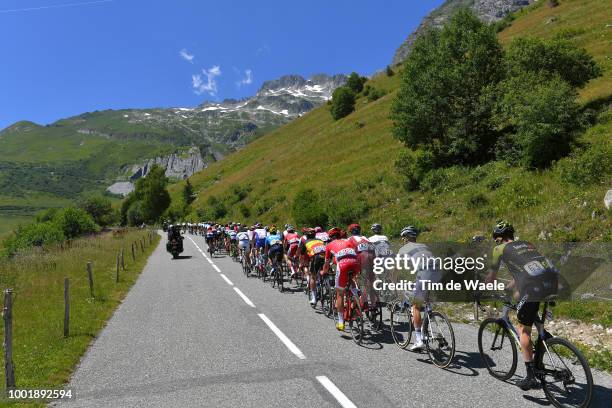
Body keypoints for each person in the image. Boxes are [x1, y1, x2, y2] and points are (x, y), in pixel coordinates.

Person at [485, 221, 559, 391]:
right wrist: (507, 288)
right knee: (522, 300)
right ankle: (543, 338)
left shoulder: (499, 249)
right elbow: (523, 274)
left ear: (498, 239)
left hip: (533, 285)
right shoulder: (526, 244)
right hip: (552, 281)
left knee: (523, 329)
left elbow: (491, 278)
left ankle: (531, 376)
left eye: (496, 239)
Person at [397, 226, 442, 352]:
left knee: (415, 306)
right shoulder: (423, 246)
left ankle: (418, 340)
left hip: (425, 273)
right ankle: (429, 316)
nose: (403, 240)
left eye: (403, 238)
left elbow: (395, 268)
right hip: (438, 273)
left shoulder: (404, 248)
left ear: (406, 238)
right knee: (424, 299)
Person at [322, 227, 360, 332]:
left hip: (342, 265)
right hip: (355, 263)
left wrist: (323, 272)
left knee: (340, 293)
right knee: (351, 277)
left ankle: (340, 321)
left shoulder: (329, 245)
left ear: (330, 237)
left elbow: (326, 262)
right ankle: (356, 293)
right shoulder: (348, 240)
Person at [347, 223, 378, 307]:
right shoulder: (365, 238)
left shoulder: (349, 239)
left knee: (355, 276)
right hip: (372, 257)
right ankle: (374, 304)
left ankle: (360, 298)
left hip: (361, 257)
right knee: (370, 280)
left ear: (350, 231)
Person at [298, 228, 325, 305]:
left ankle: (314, 297)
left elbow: (302, 256)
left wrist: (301, 264)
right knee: (323, 271)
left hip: (316, 258)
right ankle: (325, 284)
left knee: (312, 277)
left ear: (306, 235)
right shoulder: (320, 240)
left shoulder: (305, 242)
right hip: (325, 257)